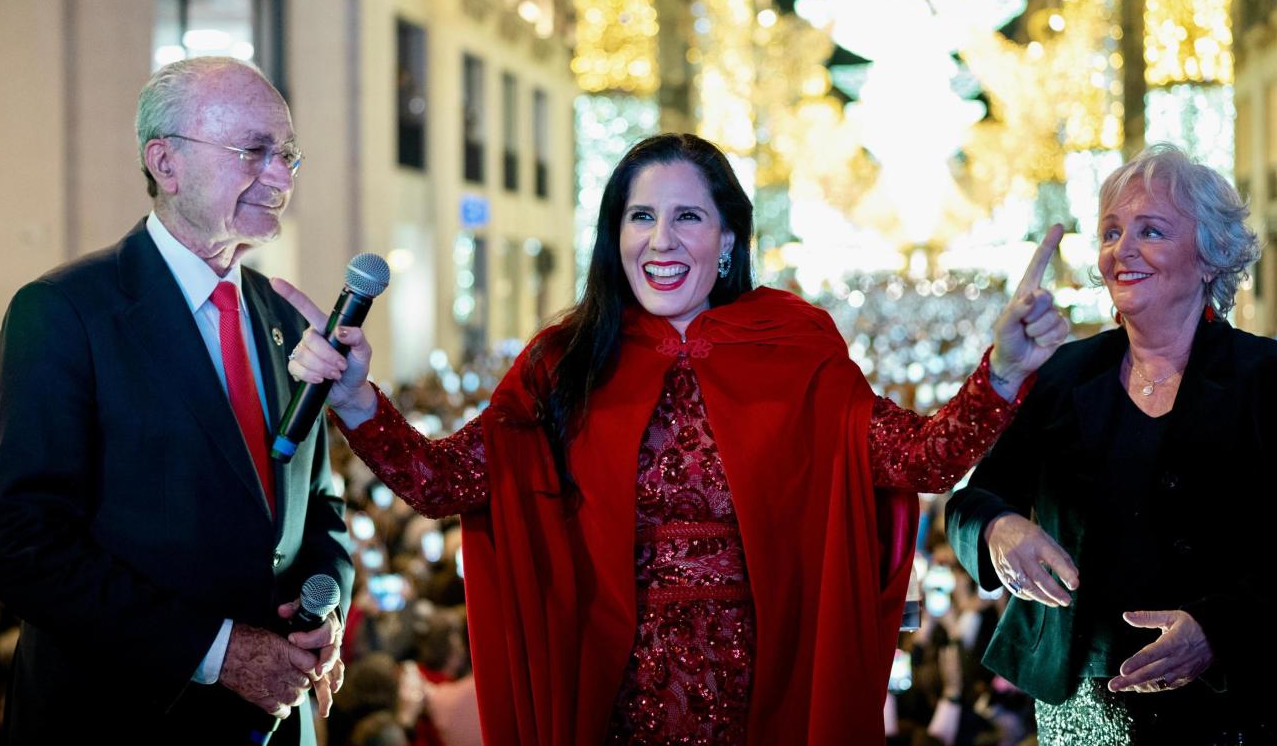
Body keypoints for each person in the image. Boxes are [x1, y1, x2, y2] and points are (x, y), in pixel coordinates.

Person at [275, 132, 1071, 745]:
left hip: (767, 684)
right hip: (609, 685)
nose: (661, 240)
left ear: (728, 238)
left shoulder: (796, 342)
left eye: (687, 216)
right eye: (641, 216)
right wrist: (355, 399)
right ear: (614, 236)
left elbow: (920, 458)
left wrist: (1001, 372)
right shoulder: (563, 361)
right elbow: (444, 482)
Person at [0, 57, 352, 744]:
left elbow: (319, 508)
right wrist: (219, 651)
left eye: (287, 155)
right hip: (118, 718)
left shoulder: (289, 320)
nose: (279, 176)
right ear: (165, 163)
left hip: (272, 723)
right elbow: (16, 544)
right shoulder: (63, 313)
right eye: (253, 152)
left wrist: (326, 608)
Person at [944, 143, 1277, 744]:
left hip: (1241, 701)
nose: (1122, 250)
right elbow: (971, 501)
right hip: (1083, 705)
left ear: (1210, 256)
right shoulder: (1059, 375)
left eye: (1151, 230)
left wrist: (1218, 629)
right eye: (1111, 231)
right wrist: (997, 529)